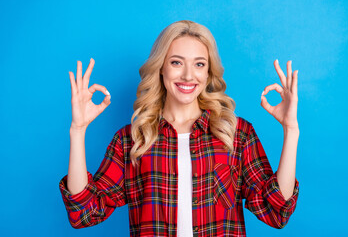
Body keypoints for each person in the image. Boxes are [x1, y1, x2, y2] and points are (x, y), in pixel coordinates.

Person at [59, 20, 300, 237]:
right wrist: (77, 130)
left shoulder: (236, 134)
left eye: (199, 64)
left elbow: (276, 210)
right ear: (161, 67)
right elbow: (84, 213)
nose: (188, 75)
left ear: (208, 72)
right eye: (176, 62)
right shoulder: (132, 140)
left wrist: (291, 131)